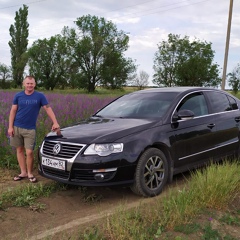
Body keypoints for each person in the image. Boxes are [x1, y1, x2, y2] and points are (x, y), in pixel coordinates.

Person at [8, 76, 60, 183]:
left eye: (31, 83)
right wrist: (10, 127)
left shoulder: (40, 96)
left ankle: (30, 173)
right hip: (16, 126)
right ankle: (23, 172)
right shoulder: (18, 96)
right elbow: (13, 111)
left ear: (35, 84)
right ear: (24, 84)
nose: (29, 85)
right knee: (19, 150)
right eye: (27, 83)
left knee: (30, 152)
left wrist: (55, 122)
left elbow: (48, 109)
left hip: (30, 129)